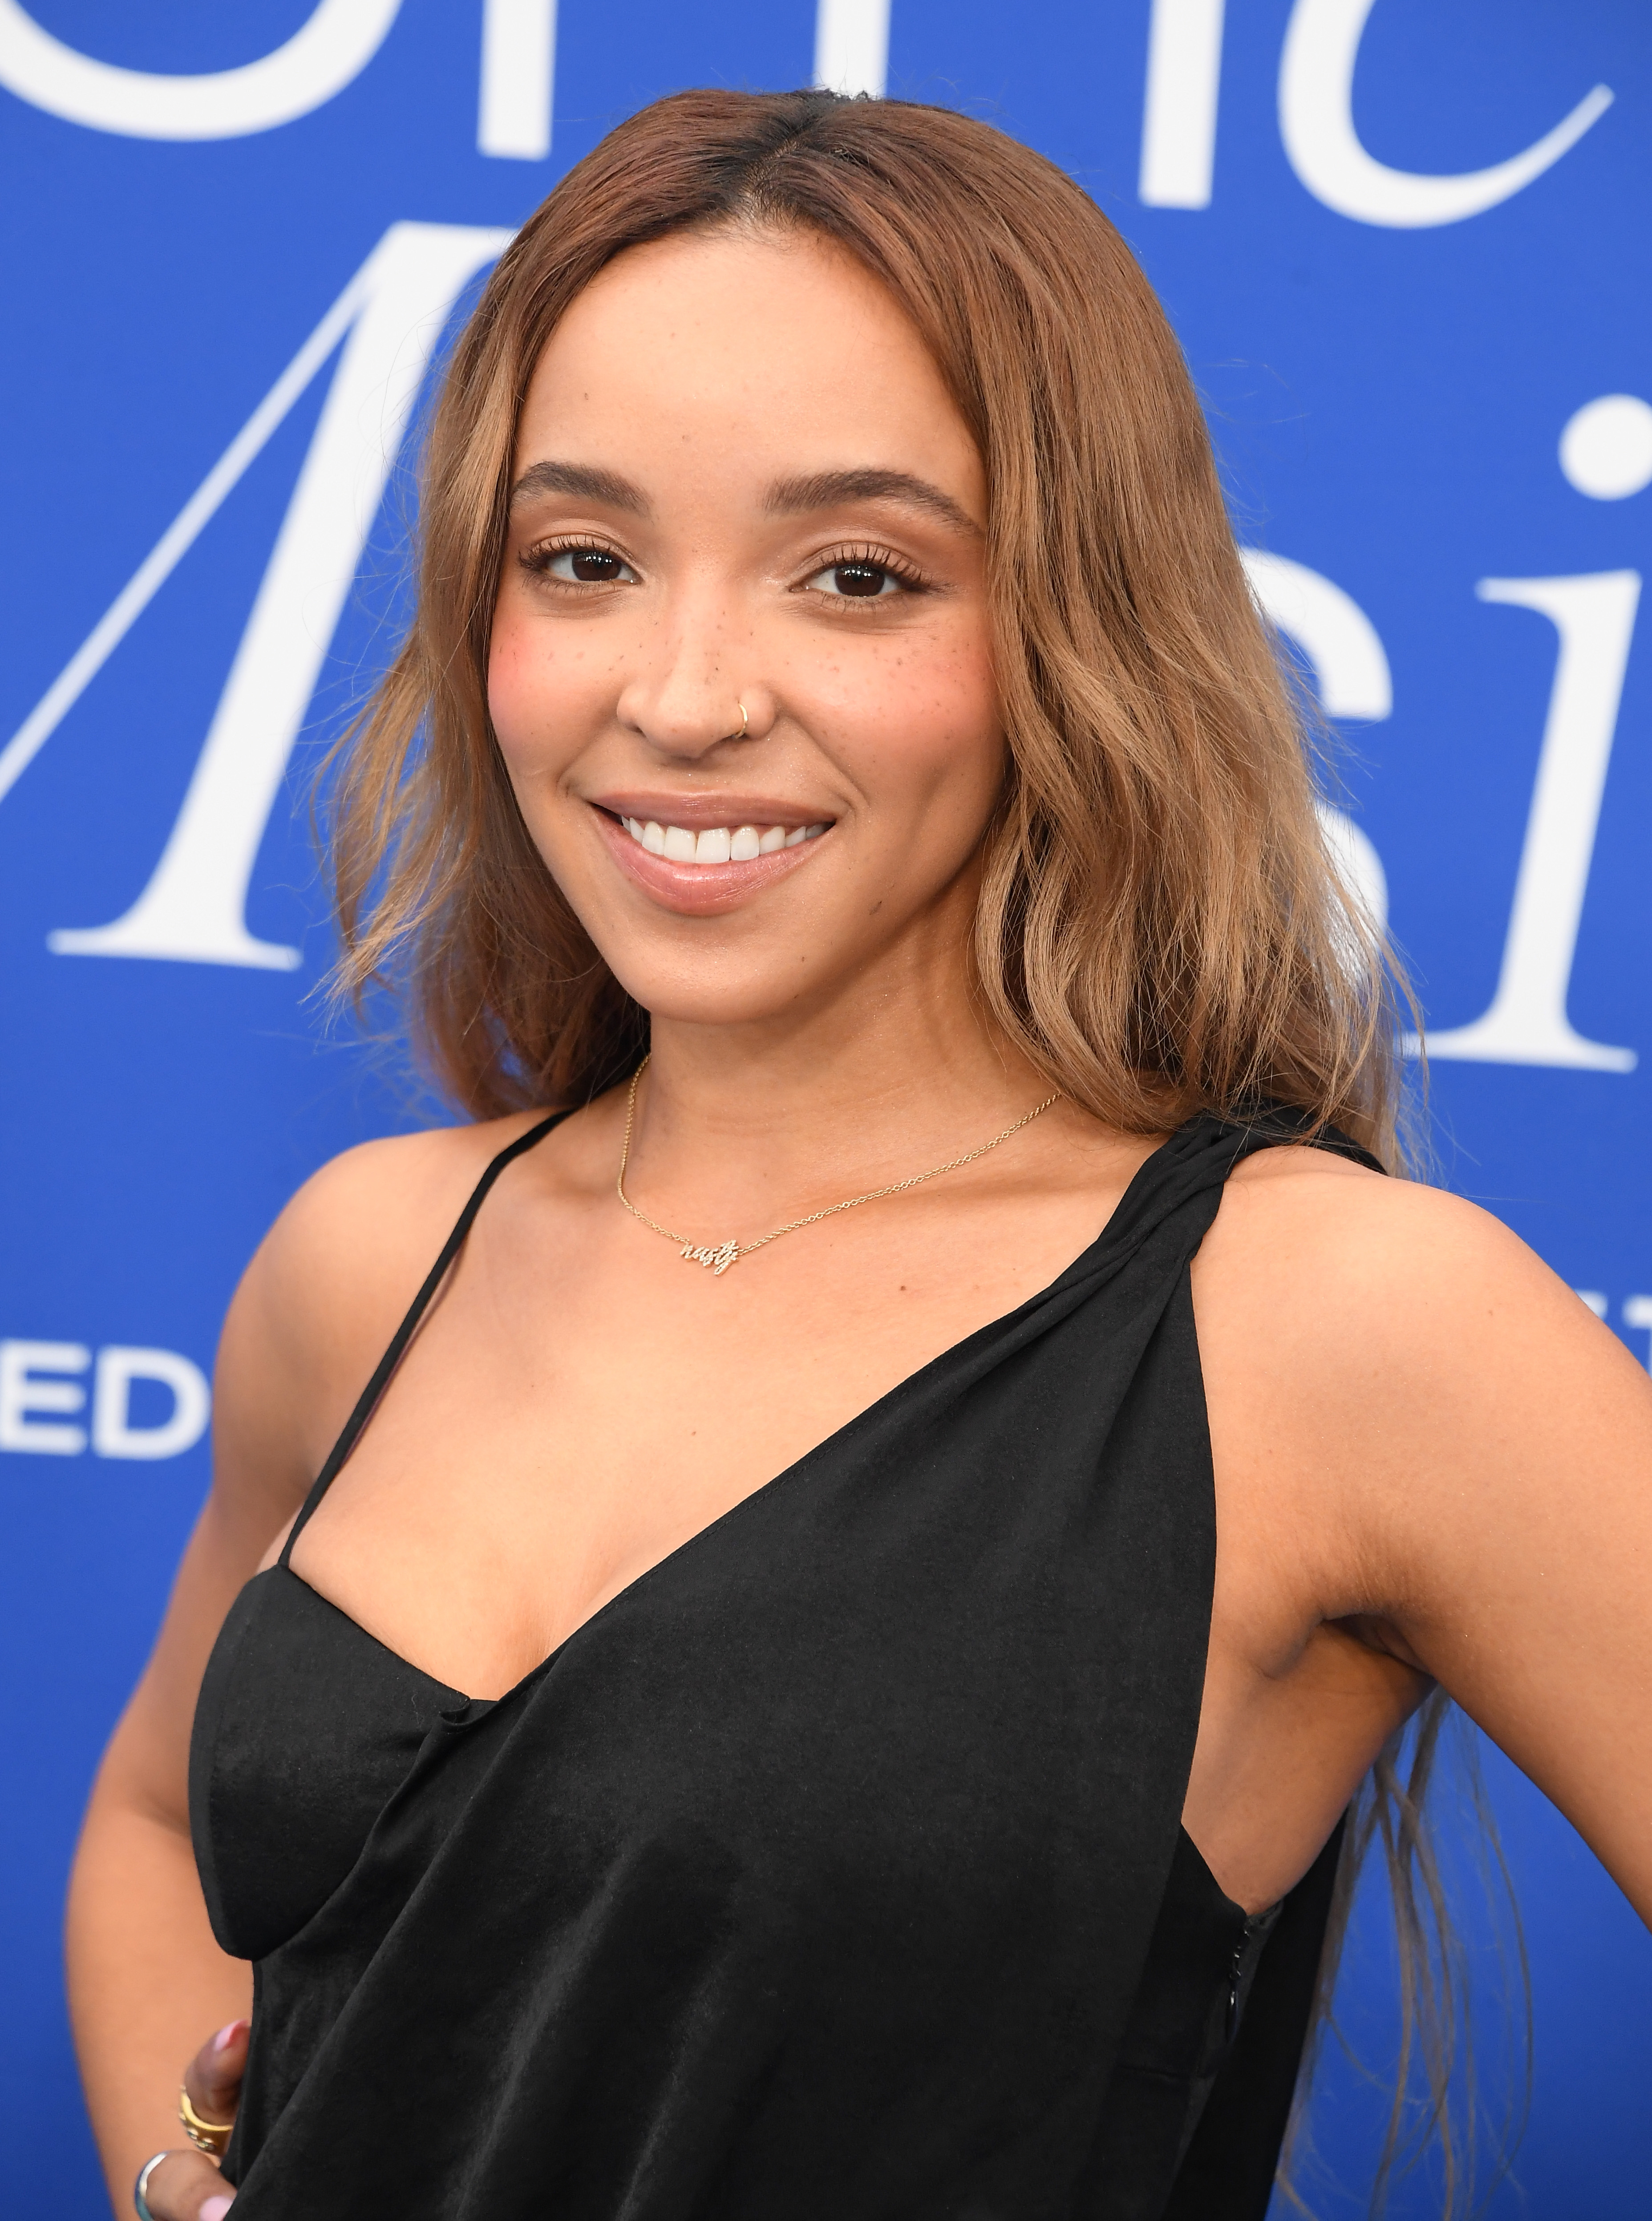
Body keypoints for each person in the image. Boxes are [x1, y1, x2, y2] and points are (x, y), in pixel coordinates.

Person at [66, 88, 1652, 2221]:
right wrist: (188, 2187)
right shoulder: (367, 1256)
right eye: (586, 560)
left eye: (856, 573)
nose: (689, 692)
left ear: (1068, 633)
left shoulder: (1335, 1325)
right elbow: (161, 1825)